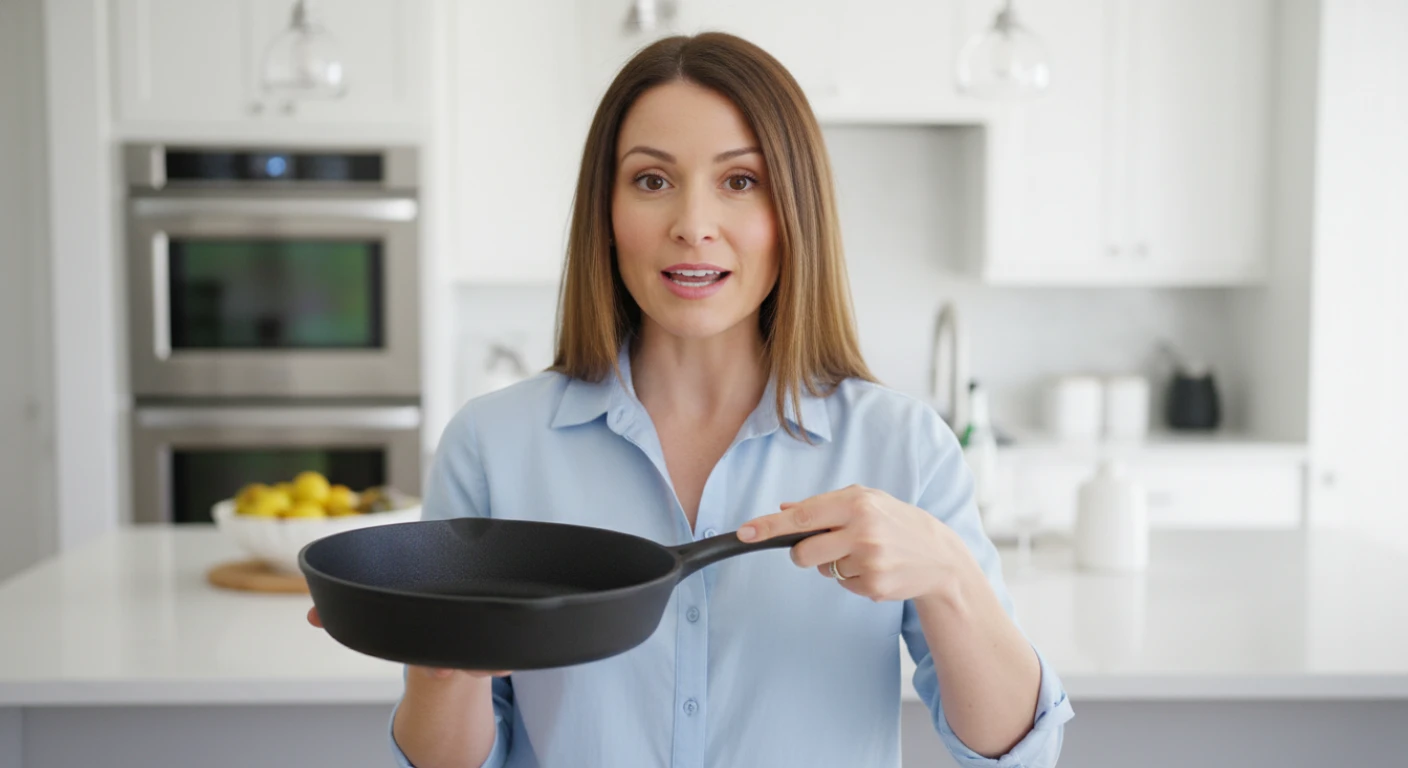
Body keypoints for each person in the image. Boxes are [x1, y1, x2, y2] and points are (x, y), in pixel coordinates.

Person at [309, 31, 1073, 768]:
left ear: (793, 214)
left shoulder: (903, 447)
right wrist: (441, 667)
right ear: (605, 216)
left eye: (740, 182)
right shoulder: (493, 444)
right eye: (651, 181)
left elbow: (1015, 751)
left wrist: (948, 574)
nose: (693, 226)